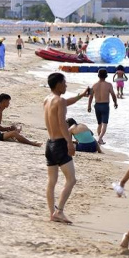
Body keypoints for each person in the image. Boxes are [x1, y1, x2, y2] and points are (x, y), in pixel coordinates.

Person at [43, 72, 90, 224]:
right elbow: (63, 124)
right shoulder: (60, 100)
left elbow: (66, 102)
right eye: (64, 83)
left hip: (49, 144)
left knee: (52, 181)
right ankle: (59, 211)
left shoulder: (47, 100)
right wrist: (69, 143)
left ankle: (52, 213)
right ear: (58, 84)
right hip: (59, 144)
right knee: (71, 179)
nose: (66, 85)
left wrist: (81, 95)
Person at [88, 69, 118, 145]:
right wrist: (115, 103)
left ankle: (99, 139)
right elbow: (113, 95)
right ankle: (100, 138)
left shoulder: (94, 85)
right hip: (105, 105)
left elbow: (90, 96)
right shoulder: (109, 85)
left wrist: (89, 106)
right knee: (104, 124)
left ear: (98, 75)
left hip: (97, 105)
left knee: (99, 124)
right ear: (106, 76)